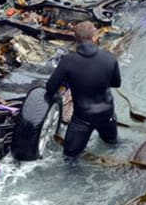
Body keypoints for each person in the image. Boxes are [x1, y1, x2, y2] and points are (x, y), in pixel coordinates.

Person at [45, 21, 122, 159]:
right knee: (112, 146)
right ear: (94, 36)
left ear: (75, 39)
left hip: (82, 119)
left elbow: (50, 88)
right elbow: (116, 83)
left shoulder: (68, 61)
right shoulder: (109, 58)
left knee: (69, 158)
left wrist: (68, 81)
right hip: (107, 115)